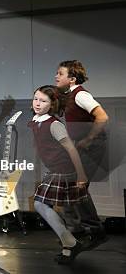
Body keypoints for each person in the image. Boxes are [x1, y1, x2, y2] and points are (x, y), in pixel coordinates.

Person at [28, 85, 90, 264]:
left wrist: (81, 175)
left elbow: (71, 148)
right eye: (36, 99)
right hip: (53, 169)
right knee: (48, 206)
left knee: (40, 204)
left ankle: (70, 241)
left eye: (43, 101)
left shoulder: (54, 124)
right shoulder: (36, 120)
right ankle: (68, 247)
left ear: (53, 104)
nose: (38, 103)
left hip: (63, 169)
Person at [55, 60, 109, 248]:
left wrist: (89, 139)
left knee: (78, 186)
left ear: (71, 78)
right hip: (81, 147)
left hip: (93, 147)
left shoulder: (81, 95)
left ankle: (95, 230)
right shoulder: (69, 96)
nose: (56, 76)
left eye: (60, 74)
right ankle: (77, 230)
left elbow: (102, 116)